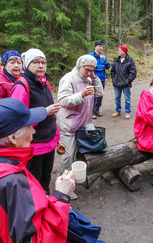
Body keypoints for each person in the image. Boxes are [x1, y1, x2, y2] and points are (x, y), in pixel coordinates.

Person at [0, 98, 75, 242]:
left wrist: (45, 200)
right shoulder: (10, 182)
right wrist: (61, 197)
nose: (34, 131)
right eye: (29, 126)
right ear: (12, 137)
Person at [10, 48, 61, 195]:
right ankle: (35, 209)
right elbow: (16, 118)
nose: (41, 66)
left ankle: (46, 204)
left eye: (43, 62)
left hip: (49, 142)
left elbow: (52, 115)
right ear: (27, 64)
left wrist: (56, 135)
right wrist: (44, 112)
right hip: (34, 145)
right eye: (36, 62)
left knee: (46, 178)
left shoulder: (45, 83)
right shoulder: (22, 86)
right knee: (33, 181)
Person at [57, 54, 104, 199]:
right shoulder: (68, 78)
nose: (90, 73)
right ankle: (63, 187)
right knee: (68, 155)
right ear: (79, 66)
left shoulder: (89, 79)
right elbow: (63, 101)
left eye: (93, 70)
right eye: (87, 70)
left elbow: (100, 93)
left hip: (83, 124)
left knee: (80, 152)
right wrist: (81, 95)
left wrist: (95, 79)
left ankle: (76, 179)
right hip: (69, 124)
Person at [111, 45, 137, 119]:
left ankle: (128, 112)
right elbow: (112, 71)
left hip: (126, 84)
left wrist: (127, 81)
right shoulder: (117, 60)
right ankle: (118, 111)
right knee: (117, 98)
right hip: (117, 83)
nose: (118, 51)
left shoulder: (130, 60)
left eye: (120, 50)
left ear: (124, 51)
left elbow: (133, 72)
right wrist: (114, 79)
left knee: (127, 98)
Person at [90, 40, 110, 119]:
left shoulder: (103, 56)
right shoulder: (91, 55)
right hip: (94, 78)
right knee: (93, 95)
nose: (100, 48)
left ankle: (97, 109)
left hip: (102, 78)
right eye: (99, 46)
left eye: (101, 46)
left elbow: (108, 67)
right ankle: (91, 112)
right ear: (95, 47)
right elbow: (92, 67)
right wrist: (101, 67)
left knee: (100, 94)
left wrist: (104, 61)